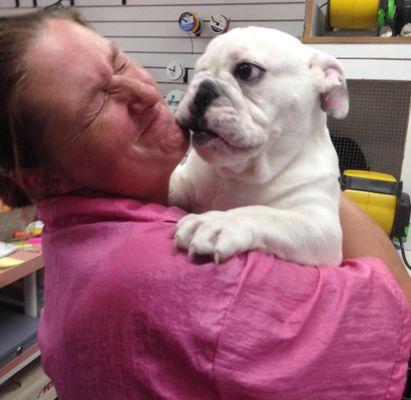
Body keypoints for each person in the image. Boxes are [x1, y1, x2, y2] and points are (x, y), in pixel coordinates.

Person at [0, 7, 410, 400]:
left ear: (323, 79)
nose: (145, 91)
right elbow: (395, 311)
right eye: (97, 101)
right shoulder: (181, 277)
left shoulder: (86, 231)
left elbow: (323, 241)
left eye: (121, 61)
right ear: (44, 177)